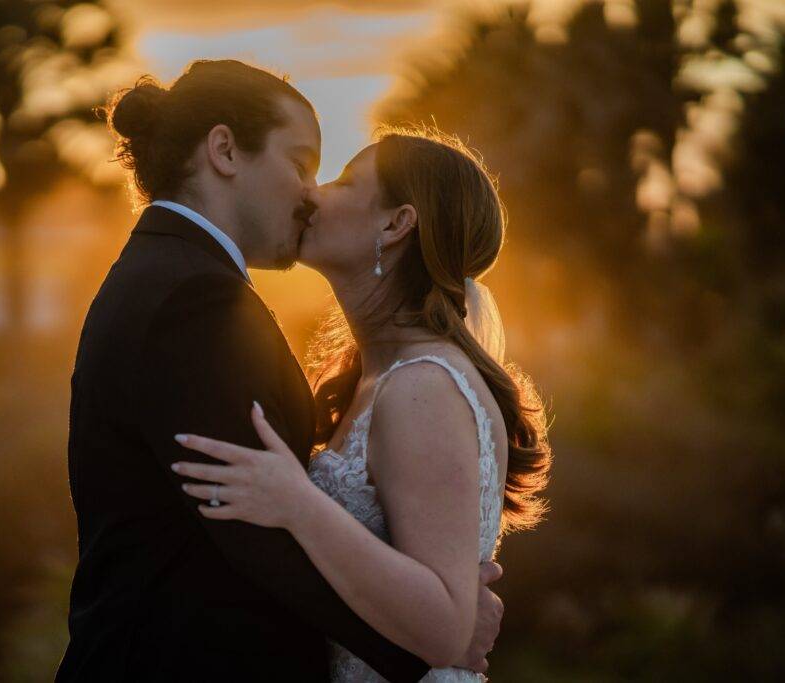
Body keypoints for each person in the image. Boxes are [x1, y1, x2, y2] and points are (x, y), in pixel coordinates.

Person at [56, 59, 504, 682]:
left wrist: (441, 626)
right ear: (225, 151)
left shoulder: (180, 279)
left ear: (398, 225)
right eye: (300, 164)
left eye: (329, 176)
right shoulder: (195, 297)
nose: (309, 193)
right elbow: (254, 541)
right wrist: (438, 640)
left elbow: (263, 526)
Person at [171, 127, 552, 682]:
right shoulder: (374, 374)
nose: (312, 194)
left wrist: (297, 503)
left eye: (345, 182)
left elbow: (444, 627)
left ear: (396, 223)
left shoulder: (423, 387)